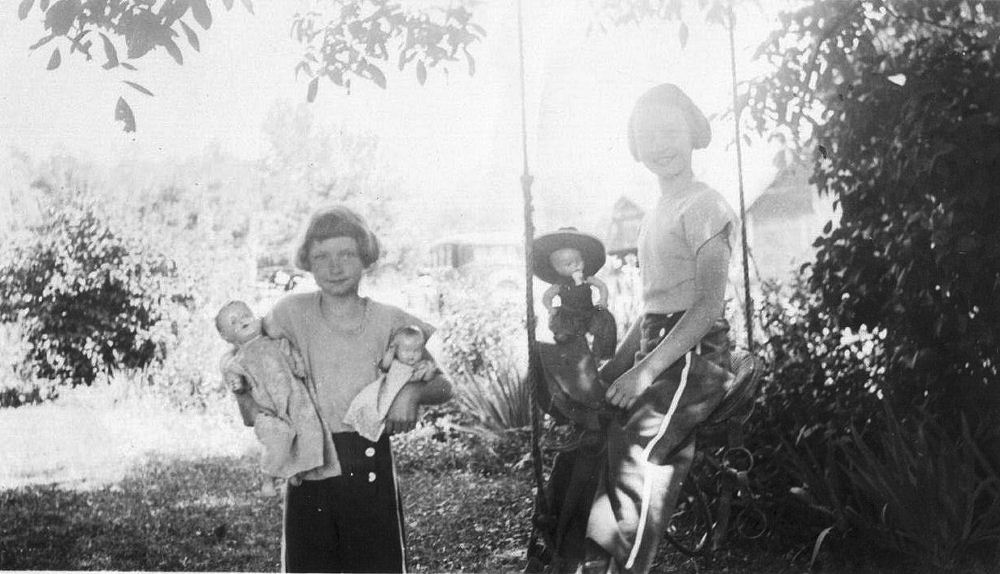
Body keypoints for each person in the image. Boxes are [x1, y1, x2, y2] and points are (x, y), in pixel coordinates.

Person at [583, 83, 757, 574]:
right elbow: (654, 307)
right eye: (647, 135)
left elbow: (704, 308)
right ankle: (594, 561)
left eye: (670, 131)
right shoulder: (654, 213)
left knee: (638, 452)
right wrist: (618, 366)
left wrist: (644, 372)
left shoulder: (705, 206)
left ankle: (626, 569)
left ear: (692, 133)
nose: (660, 144)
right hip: (663, 346)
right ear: (636, 148)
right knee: (605, 438)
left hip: (697, 352)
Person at [232, 206, 452, 573]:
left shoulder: (390, 320)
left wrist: (409, 394)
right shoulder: (289, 313)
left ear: (365, 256)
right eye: (322, 257)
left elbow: (444, 385)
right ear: (308, 261)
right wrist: (245, 394)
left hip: (368, 462)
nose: (335, 267)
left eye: (346, 254)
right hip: (310, 461)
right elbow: (245, 357)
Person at [216, 300, 329, 496]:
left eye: (245, 315)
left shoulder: (277, 343)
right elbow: (234, 374)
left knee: (309, 432)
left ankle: (299, 470)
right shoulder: (239, 358)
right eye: (233, 322)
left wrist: (298, 365)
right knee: (278, 440)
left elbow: (292, 356)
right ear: (227, 337)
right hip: (268, 409)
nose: (242, 321)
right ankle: (268, 481)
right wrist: (236, 383)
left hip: (294, 398)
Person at [533, 228, 618, 360]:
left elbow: (601, 286)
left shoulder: (587, 279)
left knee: (606, 320)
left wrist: (603, 300)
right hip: (569, 314)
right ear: (558, 269)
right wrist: (550, 308)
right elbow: (547, 297)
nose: (576, 266)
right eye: (569, 264)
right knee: (565, 332)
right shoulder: (560, 285)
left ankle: (601, 355)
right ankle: (573, 356)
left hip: (589, 311)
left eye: (579, 261)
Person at [344, 325, 428, 442]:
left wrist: (430, 371)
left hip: (399, 398)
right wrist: (390, 351)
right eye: (407, 350)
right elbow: (384, 366)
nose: (412, 355)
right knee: (372, 407)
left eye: (417, 350)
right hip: (387, 390)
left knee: (390, 418)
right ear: (397, 350)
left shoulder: (419, 366)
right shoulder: (395, 363)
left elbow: (425, 379)